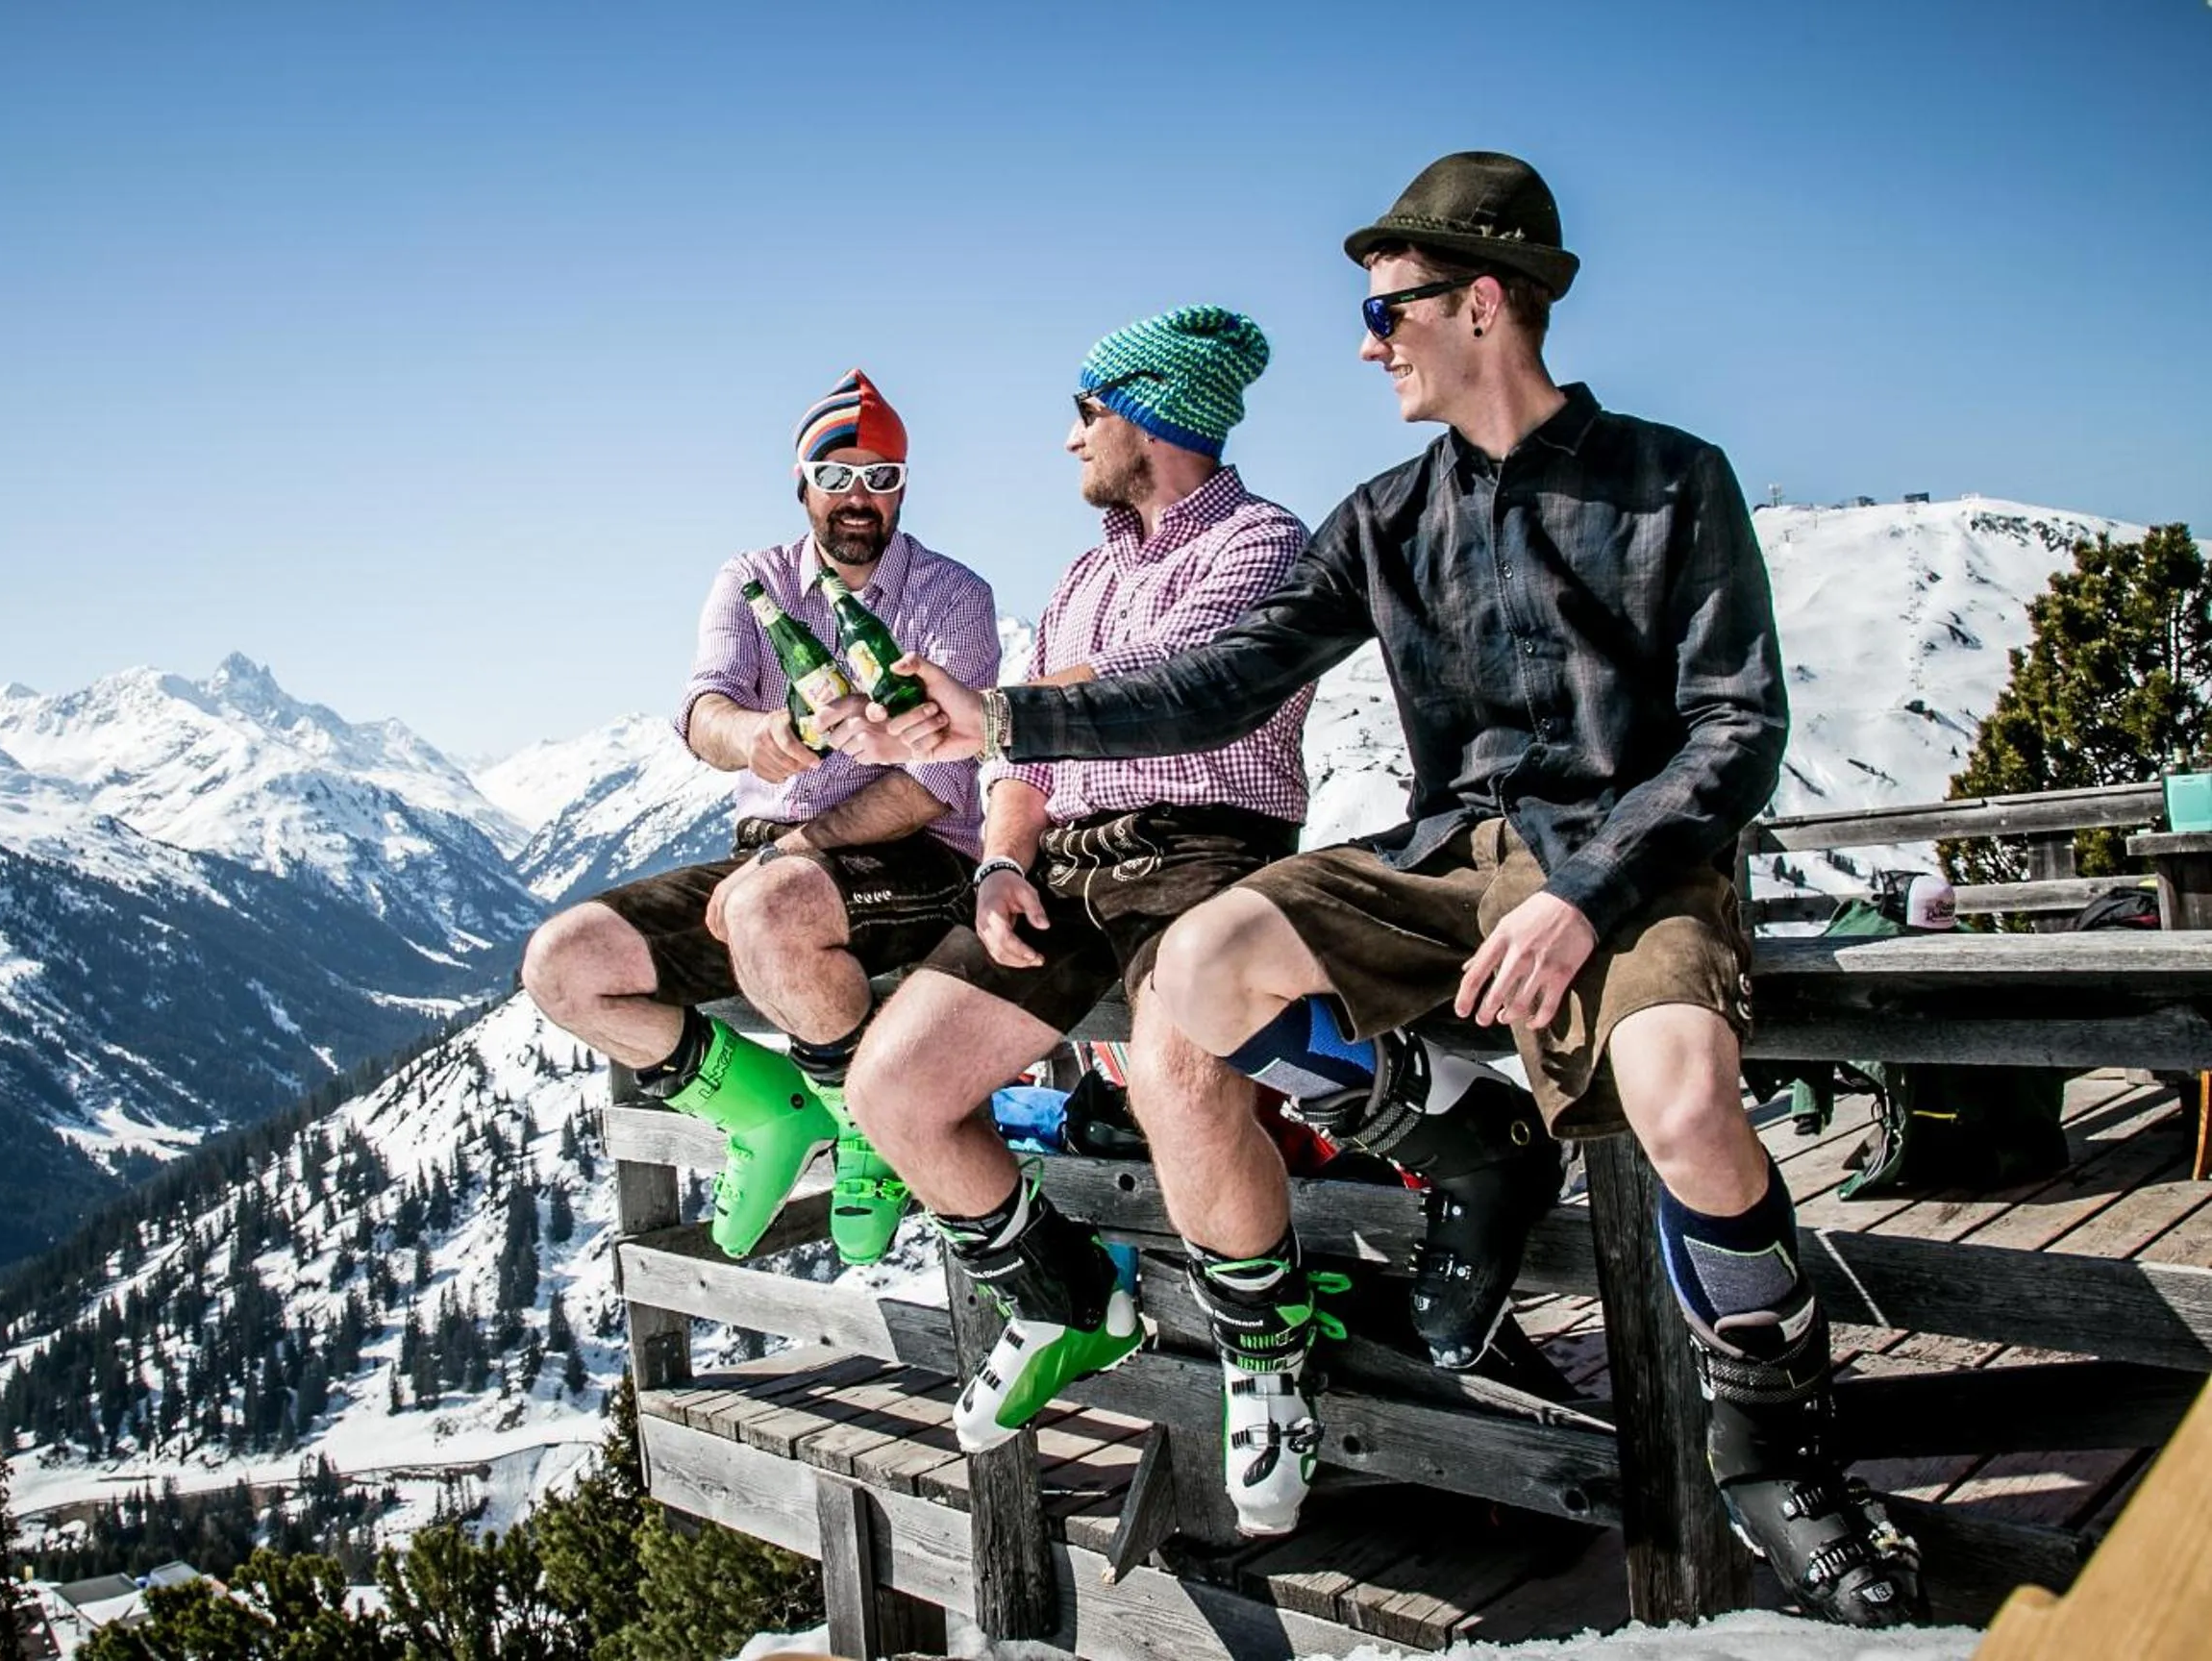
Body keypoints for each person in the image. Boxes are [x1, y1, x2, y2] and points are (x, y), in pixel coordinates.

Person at [875, 155, 1926, 1624]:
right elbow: (1224, 681)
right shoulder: (1382, 515)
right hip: (1451, 859)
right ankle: (1448, 1123)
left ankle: (1773, 1448)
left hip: (1638, 858)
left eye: (1387, 313)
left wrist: (1583, 899)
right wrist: (1001, 722)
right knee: (1197, 972)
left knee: (1683, 1100)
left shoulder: (1668, 480)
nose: (1365, 345)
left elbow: (1733, 730)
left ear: (1479, 303)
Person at [830, 307, 1551, 1539]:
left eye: (1084, 410)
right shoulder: (1085, 571)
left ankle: (1265, 1354)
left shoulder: (1258, 546)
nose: (1067, 440)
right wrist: (1002, 863)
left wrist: (1001, 708)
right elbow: (1025, 760)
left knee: (1178, 1069)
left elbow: (1174, 695)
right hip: (1069, 865)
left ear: (1149, 415)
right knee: (893, 1088)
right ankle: (1059, 1298)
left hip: (1203, 850)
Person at [521, 369, 1001, 1266]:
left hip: (916, 856)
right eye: (837, 476)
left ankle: (867, 1126)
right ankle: (767, 1113)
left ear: (904, 486)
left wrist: (795, 846)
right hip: (771, 862)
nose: (859, 499)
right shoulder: (754, 581)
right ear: (801, 484)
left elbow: (936, 782)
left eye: (881, 478)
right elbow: (704, 710)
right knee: (564, 963)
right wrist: (757, 737)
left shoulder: (950, 595)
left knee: (768, 905)